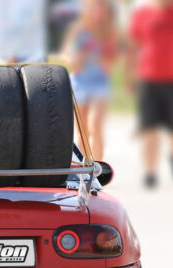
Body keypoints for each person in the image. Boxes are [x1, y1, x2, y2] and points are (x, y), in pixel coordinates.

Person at [126, 0, 173, 188]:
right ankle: (150, 172)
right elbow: (133, 48)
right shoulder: (142, 14)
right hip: (148, 79)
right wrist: (128, 75)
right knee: (149, 127)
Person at [63, 0, 118, 161]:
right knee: (82, 130)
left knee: (96, 127)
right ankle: (84, 170)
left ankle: (98, 171)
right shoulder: (79, 30)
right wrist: (75, 58)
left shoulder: (109, 32)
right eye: (95, 9)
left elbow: (111, 59)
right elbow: (67, 54)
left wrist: (104, 60)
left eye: (101, 9)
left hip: (99, 83)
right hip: (79, 81)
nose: (98, 13)